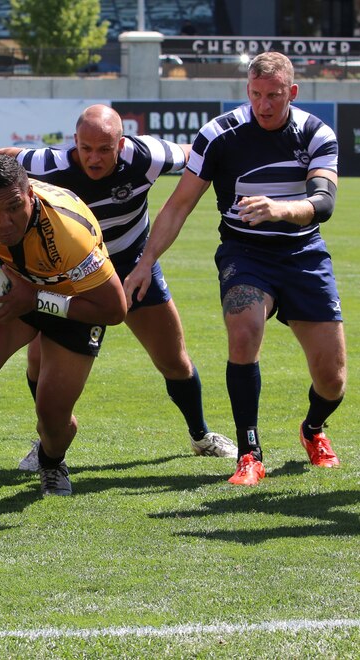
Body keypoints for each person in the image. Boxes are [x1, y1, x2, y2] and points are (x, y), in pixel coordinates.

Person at [0, 104, 237, 470]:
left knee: (173, 359)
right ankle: (46, 442)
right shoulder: (51, 164)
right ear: (75, 143)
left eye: (104, 149)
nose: (94, 158)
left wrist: (148, 258)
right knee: (38, 362)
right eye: (86, 148)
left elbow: (192, 155)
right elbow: (10, 157)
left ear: (122, 142)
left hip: (129, 268)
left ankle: (201, 436)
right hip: (62, 274)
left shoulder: (145, 156)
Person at [123, 52, 346, 486]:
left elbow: (325, 202)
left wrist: (279, 210)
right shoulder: (218, 135)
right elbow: (179, 205)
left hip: (303, 254)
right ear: (248, 91)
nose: (265, 104)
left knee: (333, 379)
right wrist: (145, 262)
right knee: (243, 331)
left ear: (292, 93)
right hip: (245, 254)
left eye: (275, 96)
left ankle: (313, 430)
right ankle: (249, 453)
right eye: (257, 94)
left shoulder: (316, 133)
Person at [0, 155, 127, 496]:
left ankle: (51, 461)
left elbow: (114, 309)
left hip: (77, 304)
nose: (3, 221)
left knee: (53, 413)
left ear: (30, 196)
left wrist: (37, 299)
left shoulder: (67, 232)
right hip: (17, 287)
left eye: (14, 207)